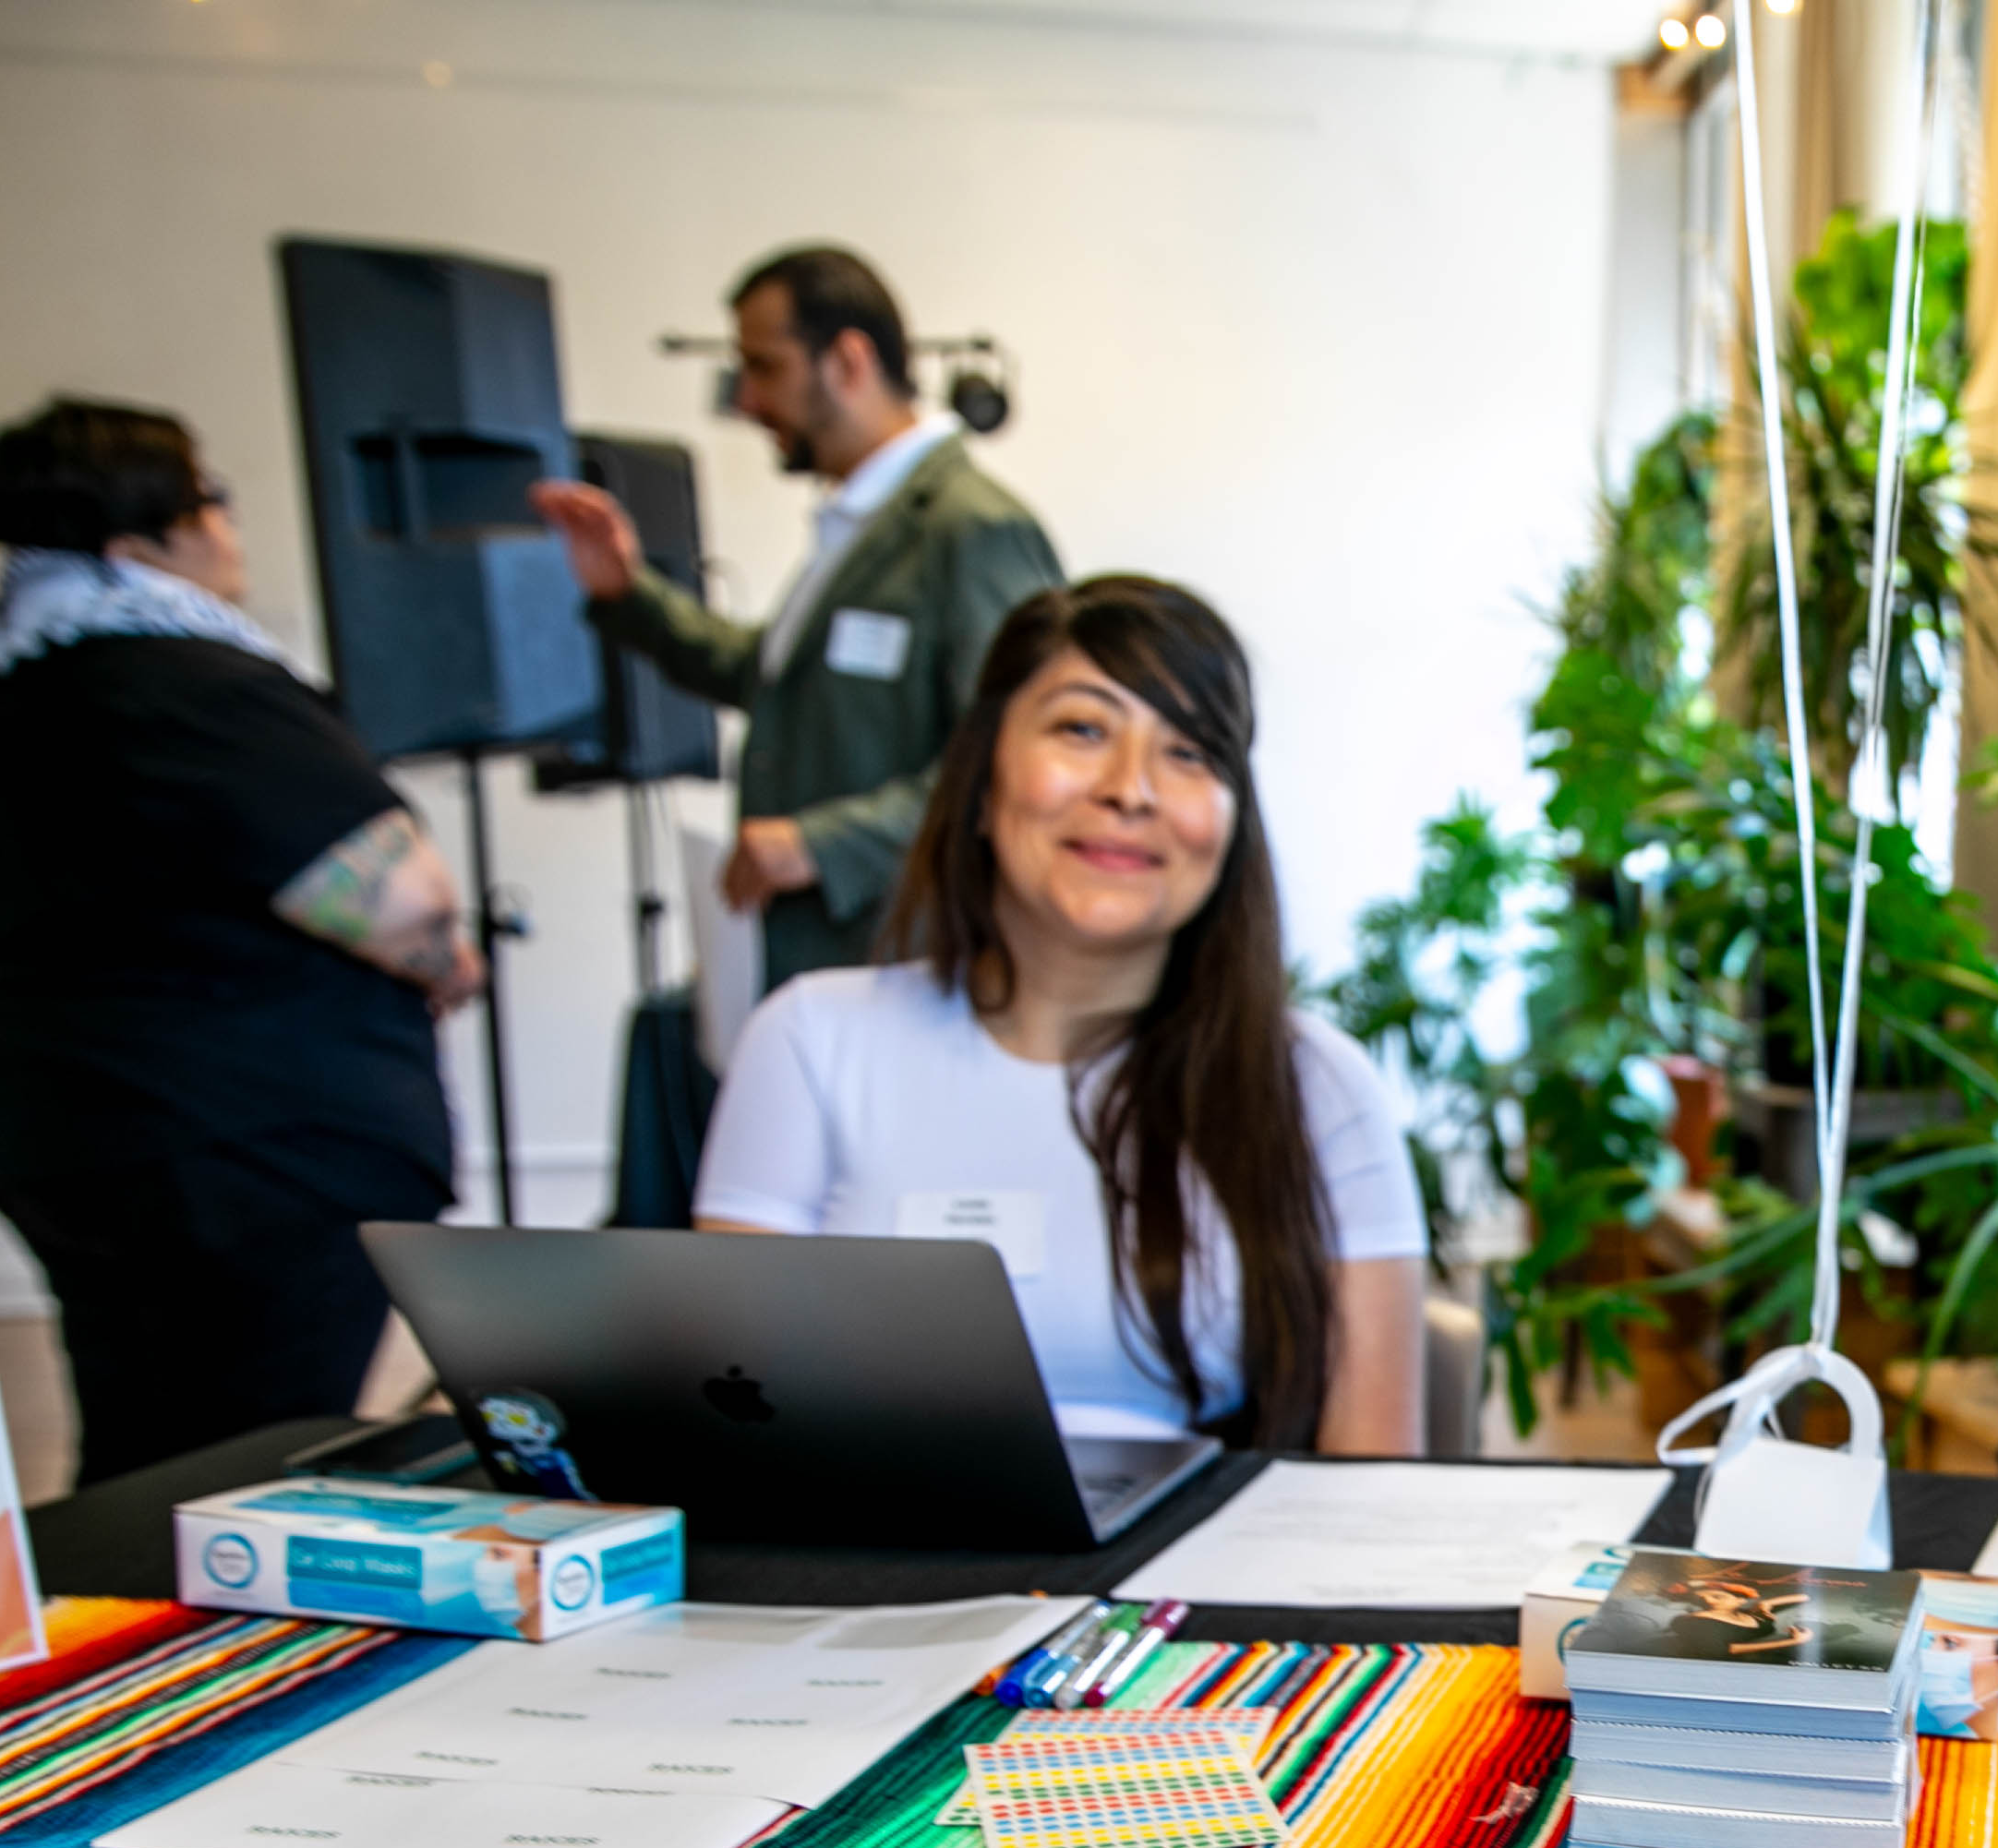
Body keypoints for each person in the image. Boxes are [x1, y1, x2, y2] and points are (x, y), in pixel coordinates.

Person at [692, 577, 1426, 1453]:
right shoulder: (808, 1039)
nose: (1131, 789)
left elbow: (1373, 1498)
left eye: (1189, 752)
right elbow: (730, 1444)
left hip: (1188, 1582)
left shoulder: (1318, 1086)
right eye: (1083, 729)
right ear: (980, 773)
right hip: (865, 1572)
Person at [0, 397, 483, 1484]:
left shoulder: (5, 697)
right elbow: (400, 900)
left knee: (142, 1437)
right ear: (141, 543)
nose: (231, 524)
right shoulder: (188, 684)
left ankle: (120, 1640)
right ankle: (220, 1651)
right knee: (254, 1459)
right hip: (245, 1143)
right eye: (211, 500)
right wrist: (452, 967)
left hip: (61, 1126)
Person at [529, 245, 1062, 990]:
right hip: (818, 960)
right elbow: (776, 681)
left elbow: (1016, 762)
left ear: (847, 361)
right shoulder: (859, 527)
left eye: (764, 368)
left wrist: (823, 844)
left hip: (902, 966)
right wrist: (627, 592)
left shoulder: (969, 529)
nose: (745, 400)